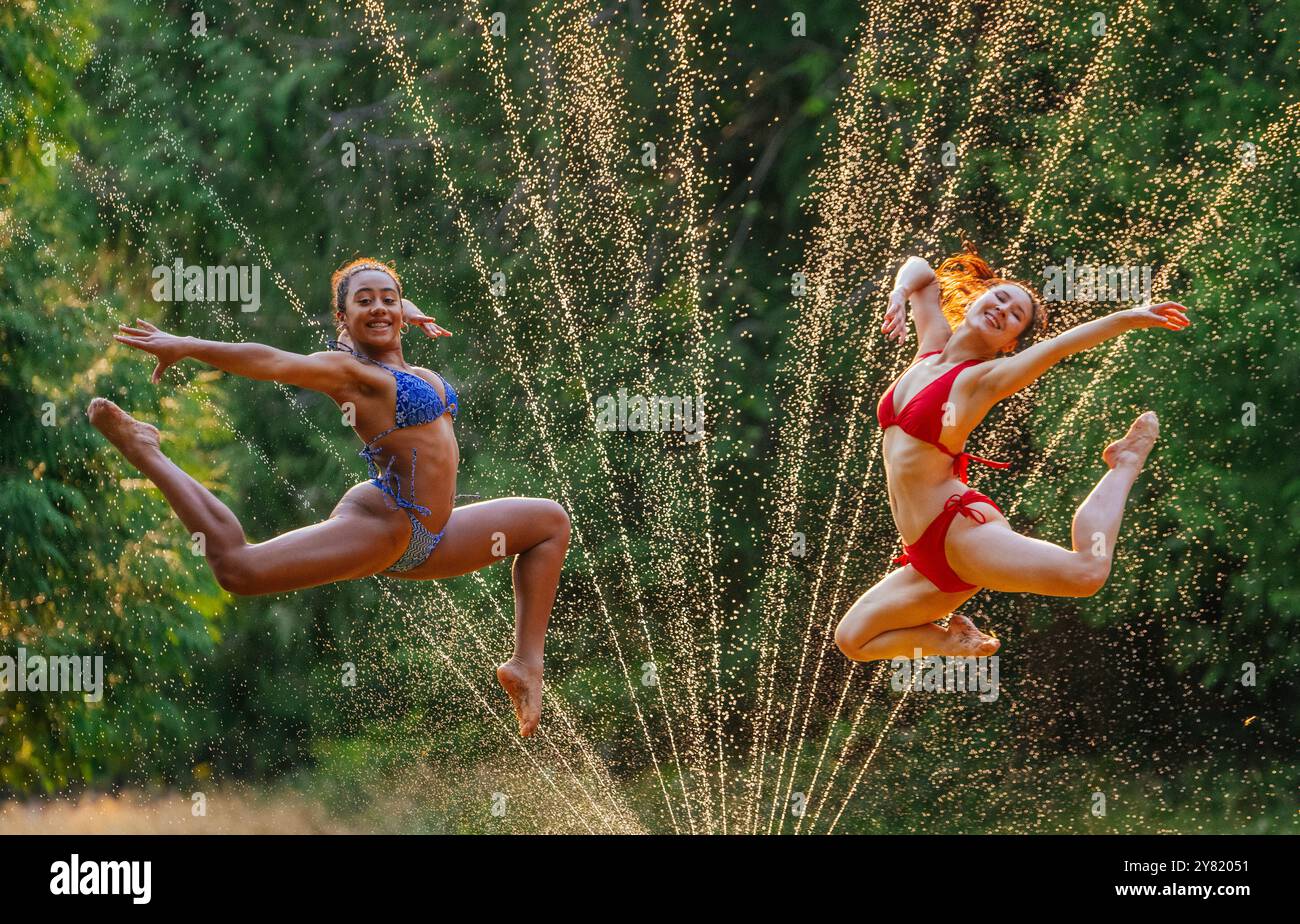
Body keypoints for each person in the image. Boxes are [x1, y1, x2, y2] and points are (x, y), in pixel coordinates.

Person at [88, 258, 568, 735]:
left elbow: (379, 306)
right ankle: (145, 449)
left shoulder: (403, 358)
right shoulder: (350, 373)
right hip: (388, 521)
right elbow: (271, 360)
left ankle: (526, 664)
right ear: (342, 319)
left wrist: (394, 310)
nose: (379, 308)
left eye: (388, 299)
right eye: (364, 303)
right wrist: (188, 346)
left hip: (434, 537)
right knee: (238, 569)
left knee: (549, 523)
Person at [834, 246, 1190, 662]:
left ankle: (1125, 463)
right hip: (925, 556)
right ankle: (951, 642)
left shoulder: (986, 378)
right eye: (1000, 297)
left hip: (960, 533)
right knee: (853, 641)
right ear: (978, 298)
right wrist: (899, 292)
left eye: (1015, 315)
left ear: (1009, 344)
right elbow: (922, 272)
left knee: (1087, 573)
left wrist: (1127, 317)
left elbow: (1059, 347)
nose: (1003, 309)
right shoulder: (931, 348)